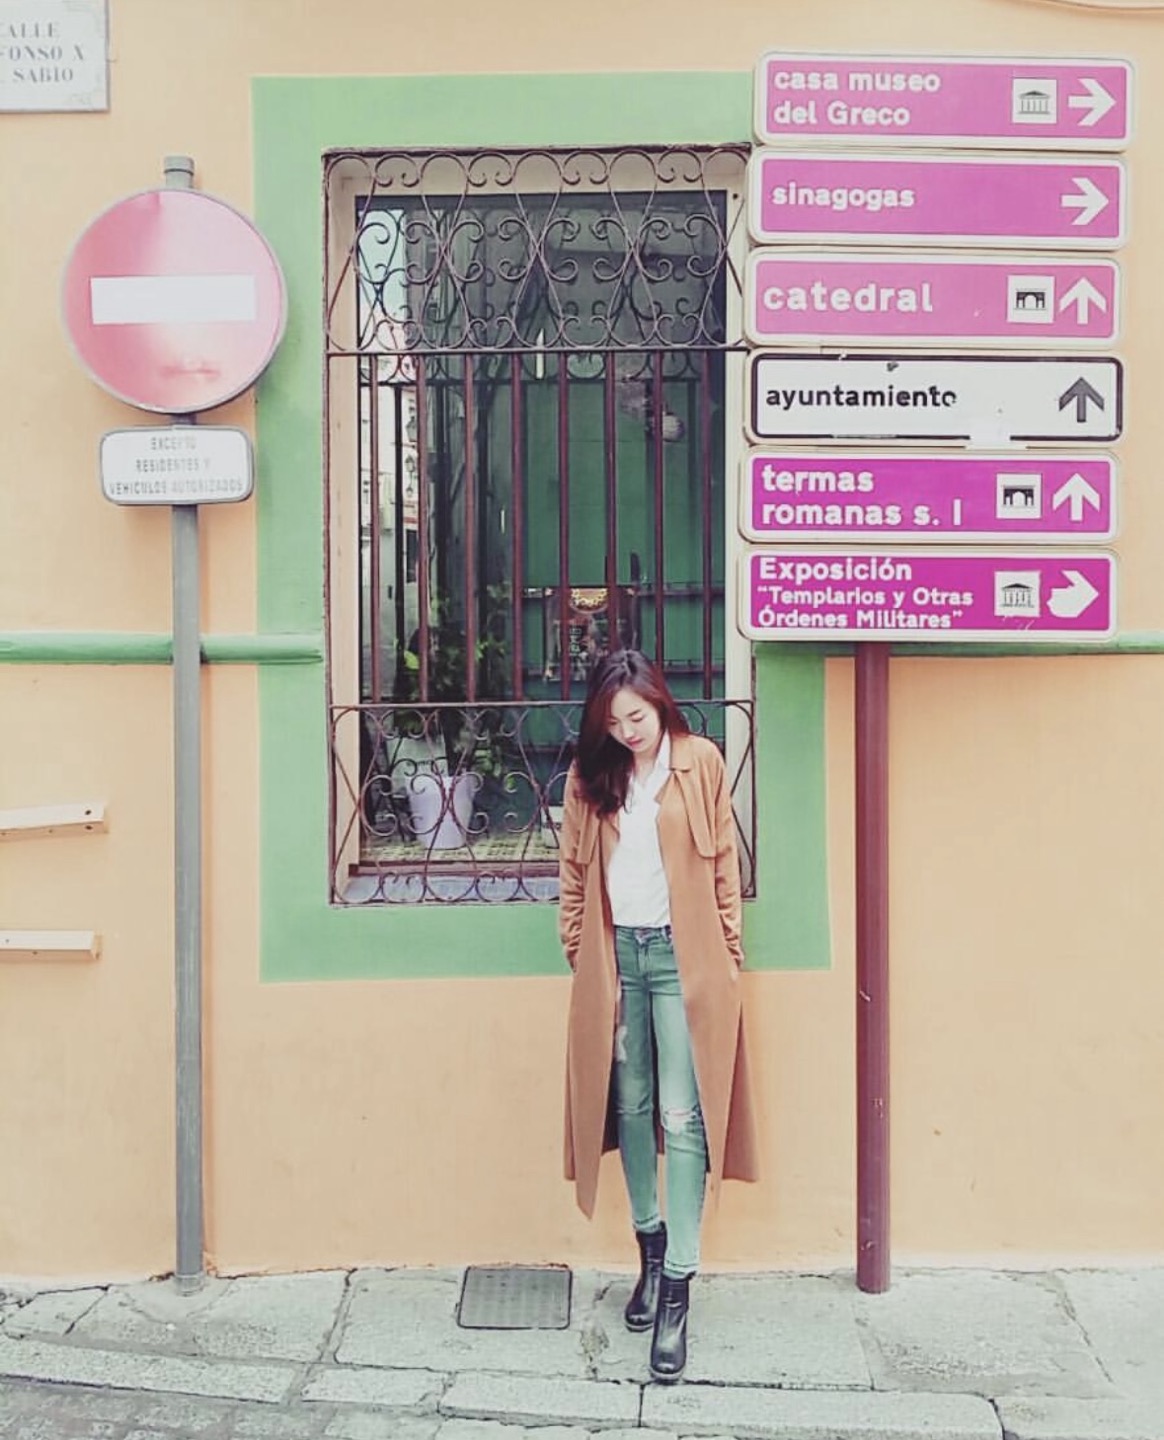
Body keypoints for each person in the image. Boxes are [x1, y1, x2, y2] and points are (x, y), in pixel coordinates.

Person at [558, 649, 758, 1383]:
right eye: (614, 723)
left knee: (683, 1112)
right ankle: (648, 1248)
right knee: (632, 1106)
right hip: (619, 962)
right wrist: (578, 949)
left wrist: (727, 953)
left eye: (637, 717)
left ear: (659, 703)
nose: (629, 732)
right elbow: (573, 872)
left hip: (681, 959)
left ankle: (677, 1286)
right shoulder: (591, 777)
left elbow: (723, 863)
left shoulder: (699, 762)